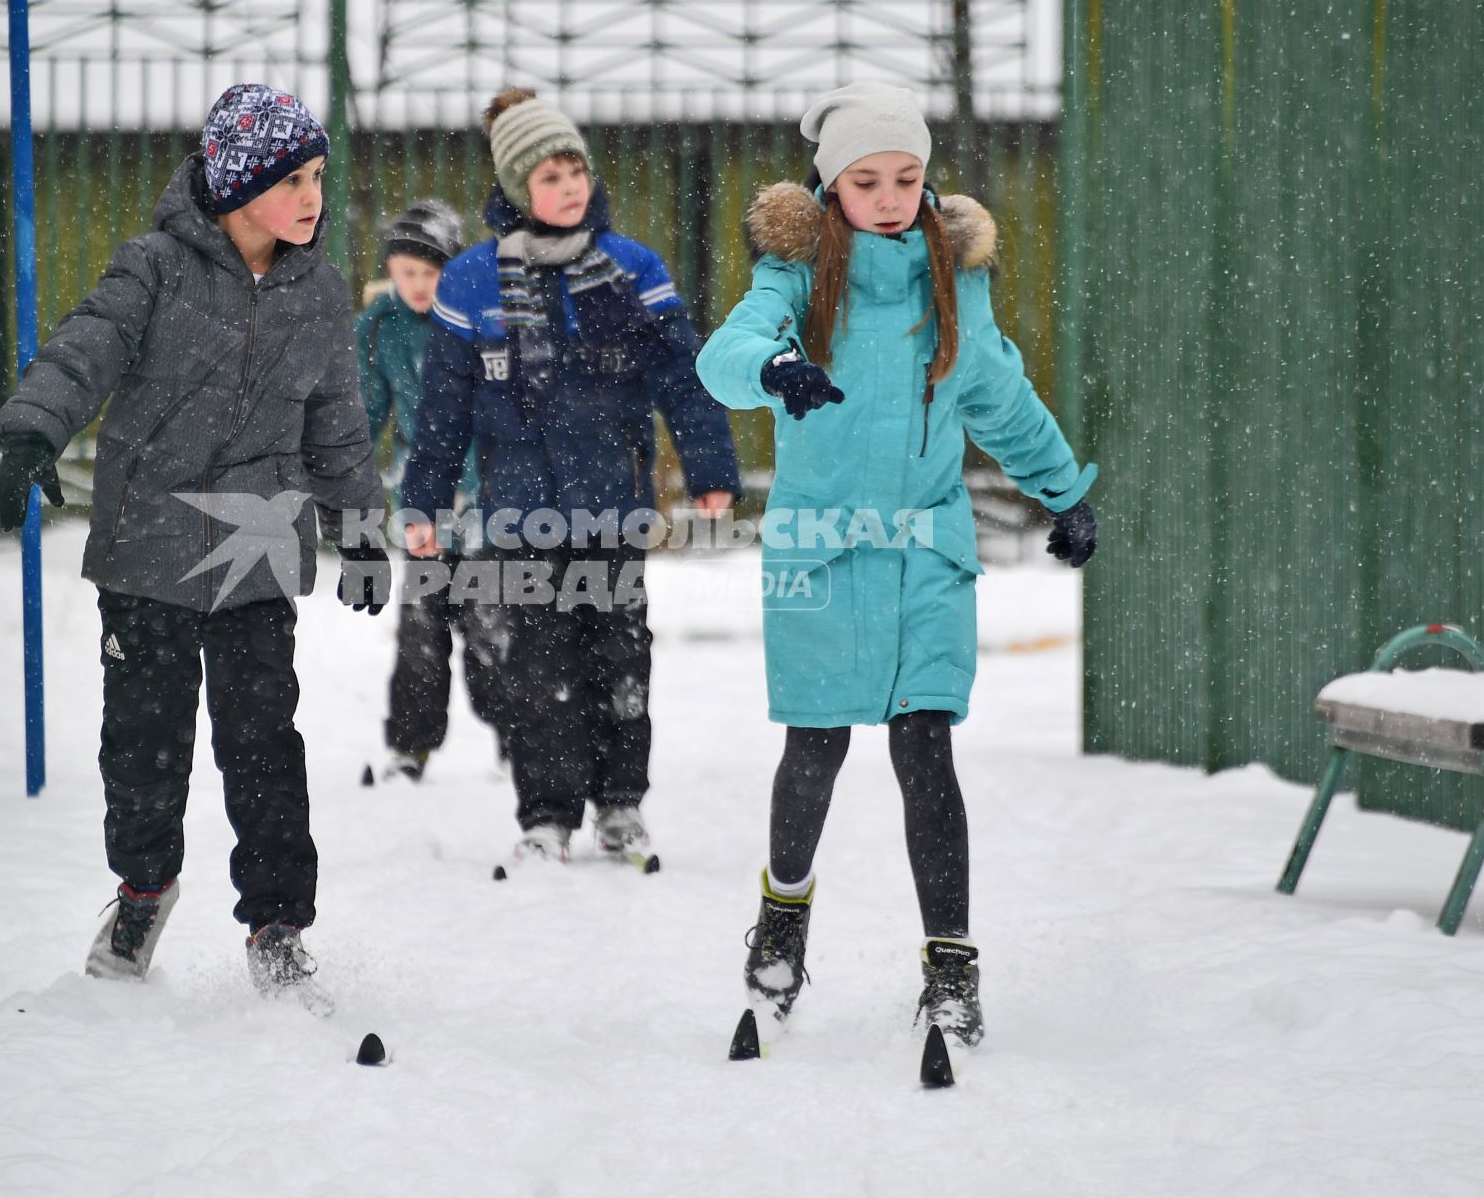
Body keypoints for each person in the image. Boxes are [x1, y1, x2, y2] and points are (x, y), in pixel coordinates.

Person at [696, 81, 1100, 1047]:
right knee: (817, 746)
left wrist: (1061, 490)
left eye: (907, 178)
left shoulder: (953, 284)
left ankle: (951, 967)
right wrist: (774, 369)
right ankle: (782, 925)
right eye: (867, 179)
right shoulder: (793, 278)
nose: (889, 196)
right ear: (832, 186)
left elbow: (998, 395)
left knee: (927, 749)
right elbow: (726, 354)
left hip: (926, 551)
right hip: (820, 549)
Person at [0, 83, 390, 1012]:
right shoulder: (155, 268)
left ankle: (278, 928)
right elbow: (85, 348)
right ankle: (141, 894)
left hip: (255, 553)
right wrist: (31, 435)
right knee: (144, 749)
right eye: (295, 180)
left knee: (264, 748)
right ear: (241, 185)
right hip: (148, 547)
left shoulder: (319, 292)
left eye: (319, 177)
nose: (314, 198)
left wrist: (359, 528)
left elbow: (338, 425)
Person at [400, 88, 742, 867]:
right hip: (521, 517)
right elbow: (444, 406)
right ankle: (547, 815)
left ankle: (621, 806)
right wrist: (422, 500)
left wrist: (709, 467)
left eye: (576, 171)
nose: (569, 188)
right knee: (539, 664)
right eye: (549, 177)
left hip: (614, 507)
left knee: (621, 656)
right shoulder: (471, 281)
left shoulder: (630, 270)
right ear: (520, 188)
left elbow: (682, 379)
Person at [356, 200, 511, 786]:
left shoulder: (479, 316)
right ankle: (409, 746)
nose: (418, 285)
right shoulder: (377, 328)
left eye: (430, 272)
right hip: (420, 504)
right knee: (420, 633)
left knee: (491, 630)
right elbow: (366, 414)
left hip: (488, 502)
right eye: (406, 273)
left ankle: (515, 739)